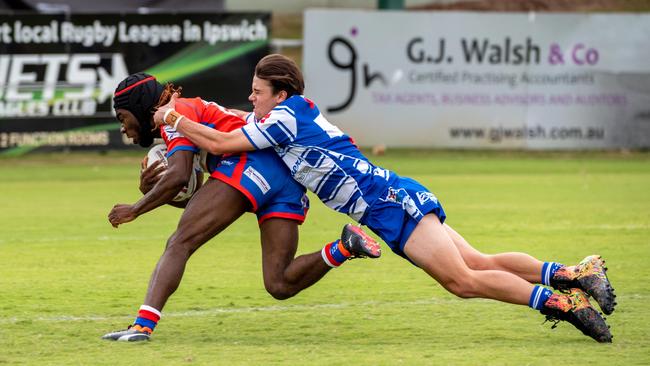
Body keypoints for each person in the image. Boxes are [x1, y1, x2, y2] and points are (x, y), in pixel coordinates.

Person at [153, 54, 617, 343]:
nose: (250, 99)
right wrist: (191, 115)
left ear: (282, 94)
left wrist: (174, 117)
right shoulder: (284, 118)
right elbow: (228, 121)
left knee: (462, 280)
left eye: (257, 93)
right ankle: (575, 273)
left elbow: (218, 144)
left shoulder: (284, 120)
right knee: (478, 259)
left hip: (387, 204)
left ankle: (562, 303)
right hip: (389, 198)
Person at [102, 73, 381, 342]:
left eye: (123, 118)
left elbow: (178, 178)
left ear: (139, 108)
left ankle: (142, 326)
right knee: (279, 283)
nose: (123, 128)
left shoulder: (175, 113)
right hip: (284, 178)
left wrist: (137, 208)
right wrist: (157, 193)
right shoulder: (191, 109)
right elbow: (199, 198)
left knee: (180, 242)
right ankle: (345, 246)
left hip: (251, 163)